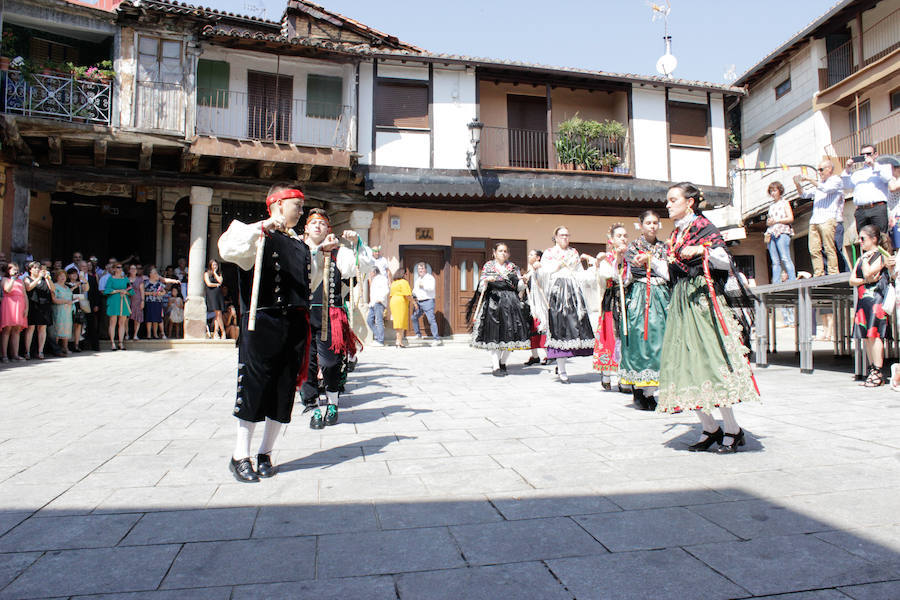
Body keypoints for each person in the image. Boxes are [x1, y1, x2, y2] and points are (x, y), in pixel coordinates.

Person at [217, 182, 330, 483]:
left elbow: (310, 282)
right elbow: (226, 248)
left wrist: (319, 254)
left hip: (293, 325)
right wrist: (264, 225)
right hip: (262, 321)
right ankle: (240, 456)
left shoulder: (299, 245)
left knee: (283, 390)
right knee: (254, 387)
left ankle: (265, 453)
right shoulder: (255, 233)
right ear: (278, 204)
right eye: (298, 206)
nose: (301, 211)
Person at [656, 182, 760, 453]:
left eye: (673, 199)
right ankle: (710, 428)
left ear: (689, 202)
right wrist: (651, 263)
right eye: (668, 200)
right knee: (685, 365)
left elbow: (725, 261)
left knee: (711, 363)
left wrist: (703, 251)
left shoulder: (704, 227)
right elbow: (672, 273)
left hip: (702, 302)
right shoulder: (675, 234)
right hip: (682, 303)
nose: (668, 204)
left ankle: (733, 429)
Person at [298, 209, 375, 428]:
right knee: (305, 365)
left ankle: (333, 402)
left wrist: (357, 244)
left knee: (331, 363)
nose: (317, 226)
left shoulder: (339, 253)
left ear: (328, 229)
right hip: (301, 315)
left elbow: (363, 266)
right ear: (306, 228)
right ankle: (313, 407)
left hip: (330, 315)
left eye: (322, 223)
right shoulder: (297, 249)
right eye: (313, 223)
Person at [530, 226, 599, 384]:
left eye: (567, 235)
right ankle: (561, 369)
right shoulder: (549, 253)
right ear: (555, 237)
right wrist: (551, 268)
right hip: (557, 292)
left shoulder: (573, 252)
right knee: (560, 330)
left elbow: (579, 273)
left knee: (574, 329)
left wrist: (593, 269)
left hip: (574, 293)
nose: (565, 238)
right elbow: (544, 273)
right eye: (562, 235)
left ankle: (562, 364)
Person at [619, 210, 670, 410]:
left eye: (655, 222)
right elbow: (634, 270)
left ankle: (651, 390)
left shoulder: (664, 247)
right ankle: (639, 390)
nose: (652, 226)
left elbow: (669, 270)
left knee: (660, 341)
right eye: (648, 222)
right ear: (640, 225)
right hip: (641, 296)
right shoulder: (633, 247)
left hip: (661, 296)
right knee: (641, 340)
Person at [467, 242, 531, 376]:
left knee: (511, 333)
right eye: (500, 251)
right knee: (494, 334)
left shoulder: (512, 267)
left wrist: (524, 281)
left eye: (505, 251)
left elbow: (518, 286)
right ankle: (496, 366)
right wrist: (486, 281)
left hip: (511, 303)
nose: (503, 253)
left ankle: (503, 362)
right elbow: (481, 287)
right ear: (494, 253)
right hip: (493, 303)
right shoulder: (488, 266)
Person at [849, 224, 892, 388]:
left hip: (876, 299)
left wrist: (866, 265)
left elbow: (868, 272)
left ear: (874, 239)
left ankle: (878, 370)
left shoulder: (881, 255)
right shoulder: (862, 258)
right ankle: (872, 368)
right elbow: (852, 280)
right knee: (866, 335)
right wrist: (865, 280)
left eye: (863, 238)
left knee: (875, 334)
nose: (860, 242)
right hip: (863, 299)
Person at [592, 223, 628, 390]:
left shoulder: (631, 257)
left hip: (628, 299)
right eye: (619, 236)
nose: (623, 239)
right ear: (611, 240)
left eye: (625, 236)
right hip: (612, 300)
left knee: (626, 337)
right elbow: (607, 277)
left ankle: (623, 376)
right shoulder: (606, 259)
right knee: (611, 336)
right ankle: (607, 373)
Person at [793, 161, 843, 276]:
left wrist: (810, 180)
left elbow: (826, 189)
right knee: (814, 249)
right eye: (818, 170)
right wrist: (797, 184)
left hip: (828, 218)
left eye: (821, 170)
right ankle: (818, 272)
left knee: (829, 247)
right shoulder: (819, 184)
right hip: (815, 220)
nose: (819, 172)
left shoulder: (836, 180)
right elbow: (804, 194)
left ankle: (833, 272)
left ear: (829, 169)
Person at [842, 144, 892, 233]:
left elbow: (887, 178)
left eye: (868, 154)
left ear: (875, 154)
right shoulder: (857, 173)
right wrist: (847, 169)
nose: (865, 157)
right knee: (864, 237)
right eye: (862, 155)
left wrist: (873, 165)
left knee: (880, 236)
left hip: (878, 208)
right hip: (861, 210)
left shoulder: (882, 167)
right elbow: (846, 186)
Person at [764, 181, 796, 284]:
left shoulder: (785, 203)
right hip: (771, 232)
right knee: (774, 260)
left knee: (785, 257)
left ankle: (792, 279)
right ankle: (776, 282)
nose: (773, 193)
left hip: (782, 231)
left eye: (774, 190)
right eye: (771, 191)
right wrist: (769, 222)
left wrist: (777, 220)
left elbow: (790, 218)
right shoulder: (771, 206)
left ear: (779, 191)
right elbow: (769, 221)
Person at [521, 249, 548, 366]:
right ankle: (535, 356)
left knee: (541, 328)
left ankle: (548, 354)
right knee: (531, 330)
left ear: (538, 258)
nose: (529, 256)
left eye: (532, 254)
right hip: (530, 304)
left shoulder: (542, 269)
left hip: (539, 304)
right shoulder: (530, 270)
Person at [23, 261, 54, 360]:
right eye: (35, 268)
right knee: (31, 328)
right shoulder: (27, 278)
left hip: (44, 305)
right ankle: (27, 351)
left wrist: (48, 278)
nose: (37, 270)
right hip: (33, 305)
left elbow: (52, 289)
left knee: (42, 328)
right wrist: (38, 278)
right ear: (30, 270)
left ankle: (40, 351)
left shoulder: (44, 279)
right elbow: (28, 288)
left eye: (38, 268)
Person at [1, 263, 27, 362]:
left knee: (16, 330)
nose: (16, 271)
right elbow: (7, 289)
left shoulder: (20, 281)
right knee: (7, 330)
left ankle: (15, 354)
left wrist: (26, 308)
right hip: (9, 305)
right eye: (14, 269)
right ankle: (4, 355)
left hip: (20, 305)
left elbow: (24, 295)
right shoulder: (5, 279)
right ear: (8, 270)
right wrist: (12, 279)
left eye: (17, 269)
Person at [411, 262, 442, 344]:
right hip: (419, 302)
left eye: (422, 268)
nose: (420, 270)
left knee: (431, 320)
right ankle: (418, 334)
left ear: (425, 269)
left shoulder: (430, 278)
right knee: (414, 317)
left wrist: (423, 286)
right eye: (419, 269)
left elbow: (431, 288)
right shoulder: (418, 279)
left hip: (428, 301)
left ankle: (437, 339)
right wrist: (412, 294)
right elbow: (415, 290)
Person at [104, 264, 133, 351]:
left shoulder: (125, 279)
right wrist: (117, 291)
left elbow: (131, 289)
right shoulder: (111, 279)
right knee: (113, 322)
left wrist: (126, 292)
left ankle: (121, 342)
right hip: (114, 301)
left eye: (121, 267)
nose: (120, 269)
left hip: (123, 301)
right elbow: (107, 290)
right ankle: (112, 343)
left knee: (122, 322)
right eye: (118, 267)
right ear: (114, 269)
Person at [366, 246, 390, 346]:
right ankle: (378, 336)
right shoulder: (375, 279)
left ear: (374, 272)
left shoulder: (382, 279)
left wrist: (380, 299)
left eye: (371, 272)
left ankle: (380, 340)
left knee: (379, 321)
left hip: (379, 302)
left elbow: (386, 290)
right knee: (369, 320)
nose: (370, 274)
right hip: (373, 303)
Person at [49, 269, 74, 356]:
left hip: (68, 311)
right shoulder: (54, 286)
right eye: (60, 276)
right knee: (57, 328)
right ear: (57, 277)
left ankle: (65, 347)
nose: (63, 277)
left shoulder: (67, 287)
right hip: (58, 310)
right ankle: (56, 349)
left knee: (67, 328)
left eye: (64, 276)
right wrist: (65, 301)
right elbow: (54, 299)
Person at [65, 267, 88, 352]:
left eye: (76, 273)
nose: (74, 275)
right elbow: (67, 293)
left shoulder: (80, 283)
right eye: (72, 273)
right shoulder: (66, 284)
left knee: (78, 325)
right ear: (68, 275)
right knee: (68, 325)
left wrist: (84, 280)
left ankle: (77, 344)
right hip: (68, 305)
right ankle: (66, 345)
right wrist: (75, 287)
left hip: (78, 305)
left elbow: (86, 289)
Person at [389, 270, 412, 348]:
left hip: (393, 301)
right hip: (400, 302)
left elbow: (391, 295)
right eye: (405, 274)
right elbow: (407, 295)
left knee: (397, 322)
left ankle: (399, 341)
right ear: (403, 274)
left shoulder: (394, 283)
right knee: (401, 322)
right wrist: (414, 302)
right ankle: (398, 342)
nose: (406, 275)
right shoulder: (403, 282)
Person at [143, 268, 167, 339]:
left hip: (157, 302)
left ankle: (155, 334)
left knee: (156, 319)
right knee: (149, 318)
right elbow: (142, 292)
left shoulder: (159, 283)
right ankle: (149, 334)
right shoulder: (146, 282)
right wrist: (151, 293)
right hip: (149, 302)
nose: (156, 274)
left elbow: (164, 292)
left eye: (156, 273)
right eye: (154, 273)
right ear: (150, 274)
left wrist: (160, 293)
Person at [204, 260, 226, 339]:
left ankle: (216, 332)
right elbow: (208, 283)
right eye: (213, 265)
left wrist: (215, 273)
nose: (215, 266)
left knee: (218, 314)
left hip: (218, 294)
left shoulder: (219, 273)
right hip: (211, 294)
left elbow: (220, 281)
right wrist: (216, 285)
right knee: (218, 313)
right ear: (210, 265)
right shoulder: (206, 273)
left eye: (216, 264)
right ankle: (223, 331)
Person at [126, 264, 145, 340]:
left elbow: (142, 291)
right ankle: (127, 334)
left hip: (137, 301)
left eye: (135, 269)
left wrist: (142, 301)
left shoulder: (140, 279)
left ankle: (135, 335)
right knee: (126, 318)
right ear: (129, 270)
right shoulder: (126, 279)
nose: (133, 270)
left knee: (137, 318)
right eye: (131, 268)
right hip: (127, 300)